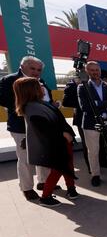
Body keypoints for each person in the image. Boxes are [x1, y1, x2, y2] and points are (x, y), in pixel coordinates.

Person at [13, 77, 79, 207]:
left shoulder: (38, 104)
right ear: (31, 90)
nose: (42, 87)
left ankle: (71, 189)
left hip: (63, 140)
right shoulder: (32, 107)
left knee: (68, 165)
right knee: (59, 168)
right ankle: (46, 196)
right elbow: (42, 127)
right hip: (57, 142)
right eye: (39, 86)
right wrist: (63, 133)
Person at [0, 56, 56, 200]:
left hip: (42, 126)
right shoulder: (10, 80)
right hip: (21, 127)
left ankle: (43, 181)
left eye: (39, 70)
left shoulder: (41, 82)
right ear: (22, 66)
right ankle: (26, 188)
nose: (36, 72)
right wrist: (28, 106)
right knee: (25, 158)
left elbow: (47, 98)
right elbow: (3, 99)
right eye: (33, 68)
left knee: (43, 155)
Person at [78, 61, 107, 187]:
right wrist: (106, 103)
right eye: (91, 70)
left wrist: (97, 103)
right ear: (86, 71)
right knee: (93, 151)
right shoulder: (82, 87)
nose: (95, 72)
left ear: (100, 71)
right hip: (91, 124)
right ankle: (95, 175)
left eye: (97, 70)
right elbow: (85, 107)